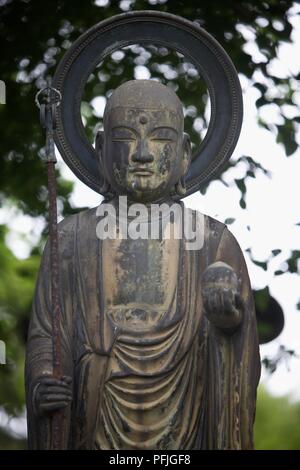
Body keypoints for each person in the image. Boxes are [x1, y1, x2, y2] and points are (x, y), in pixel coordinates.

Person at [25, 80, 260, 449]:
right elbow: (46, 333)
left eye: (162, 138)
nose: (143, 154)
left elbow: (238, 349)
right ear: (101, 149)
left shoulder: (213, 242)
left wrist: (228, 322)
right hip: (94, 425)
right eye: (125, 138)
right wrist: (43, 383)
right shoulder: (70, 239)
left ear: (184, 153)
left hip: (186, 429)